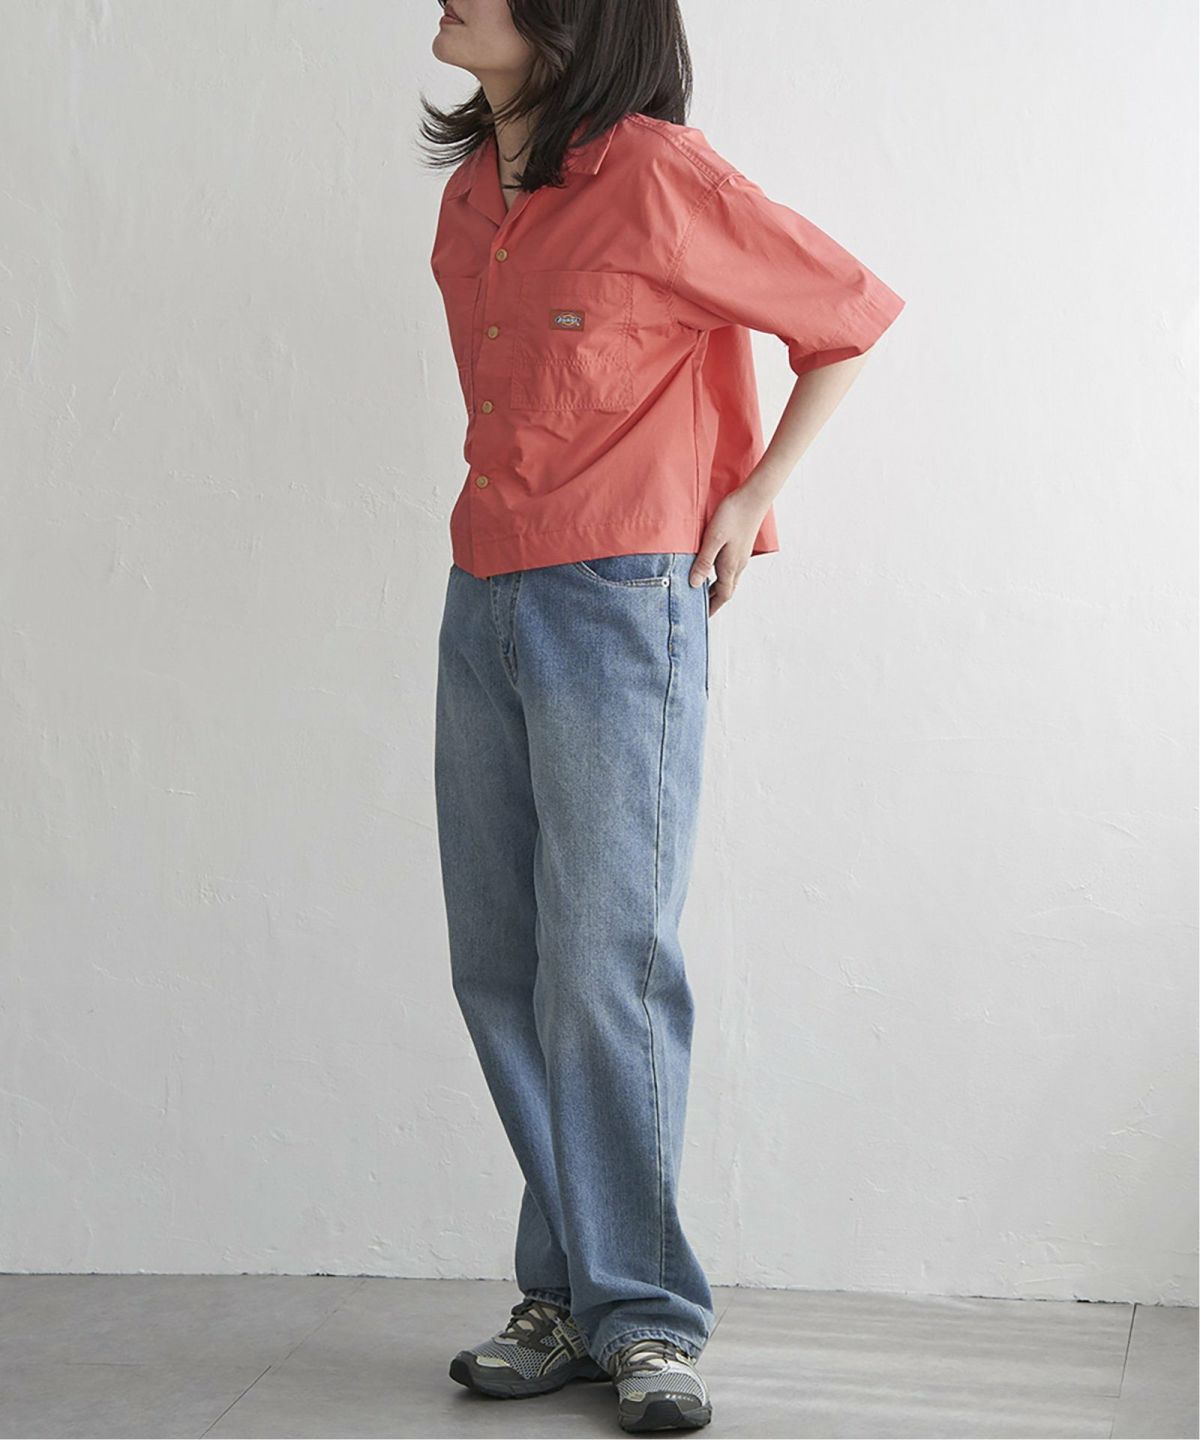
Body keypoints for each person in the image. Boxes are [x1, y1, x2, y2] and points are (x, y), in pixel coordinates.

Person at [423, 0, 905, 1430]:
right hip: (482, 591)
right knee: (500, 965)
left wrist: (752, 498)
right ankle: (570, 1295)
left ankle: (644, 1317)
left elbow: (847, 317)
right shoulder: (472, 194)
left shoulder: (652, 172)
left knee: (606, 965)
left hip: (621, 598)